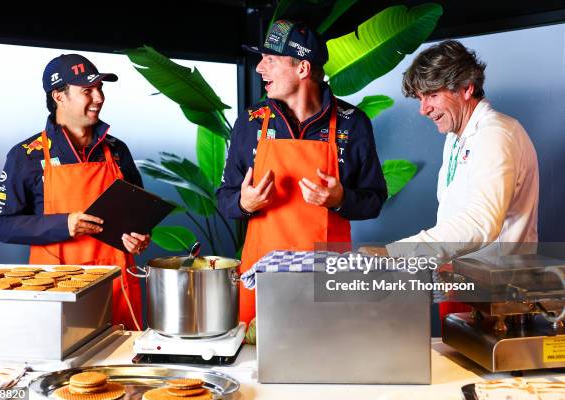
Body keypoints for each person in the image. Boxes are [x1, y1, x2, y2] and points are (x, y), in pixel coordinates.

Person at [217, 20, 388, 324]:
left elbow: (374, 199)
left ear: (303, 69)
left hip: (325, 280)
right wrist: (245, 203)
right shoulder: (251, 122)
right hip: (262, 279)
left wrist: (340, 199)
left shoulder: (352, 123)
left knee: (324, 361)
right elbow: (225, 198)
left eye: (270, 59)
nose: (259, 68)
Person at [0, 54, 149, 329]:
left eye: (100, 88)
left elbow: (139, 215)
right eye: (87, 90)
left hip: (118, 286)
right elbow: (2, 225)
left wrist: (140, 236)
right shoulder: (25, 156)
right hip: (58, 292)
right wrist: (64, 224)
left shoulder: (118, 151)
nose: (99, 97)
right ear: (59, 96)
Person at [379, 40, 539, 261]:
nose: (423, 110)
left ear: (466, 88)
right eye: (420, 98)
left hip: (498, 286)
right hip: (467, 280)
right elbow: (454, 218)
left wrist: (396, 253)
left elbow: (481, 222)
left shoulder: (495, 134)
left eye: (432, 95)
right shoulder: (456, 136)